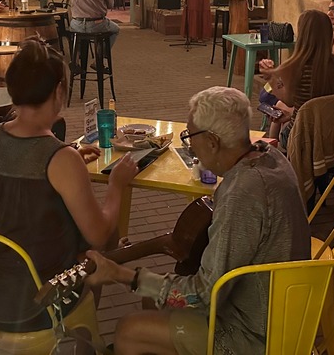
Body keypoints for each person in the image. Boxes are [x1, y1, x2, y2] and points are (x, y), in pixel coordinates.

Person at [84, 86, 310, 355]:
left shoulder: (244, 193)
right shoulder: (269, 155)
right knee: (152, 300)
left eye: (190, 137)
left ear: (213, 141)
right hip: (283, 305)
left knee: (129, 331)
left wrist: (121, 274)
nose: (190, 145)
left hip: (259, 332)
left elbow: (205, 294)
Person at [0, 38, 138, 333]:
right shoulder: (61, 159)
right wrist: (116, 184)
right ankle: (83, 336)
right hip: (39, 302)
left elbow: (21, 171)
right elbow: (99, 233)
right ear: (58, 91)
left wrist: (69, 161)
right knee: (100, 245)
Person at [258, 9, 334, 146]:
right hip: (331, 133)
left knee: (280, 120)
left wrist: (271, 78)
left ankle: (274, 151)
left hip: (301, 134)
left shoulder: (293, 66)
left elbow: (288, 101)